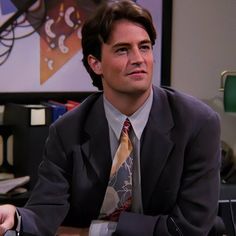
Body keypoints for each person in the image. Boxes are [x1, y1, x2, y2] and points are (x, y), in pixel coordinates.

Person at [0, 0, 221, 235]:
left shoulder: (198, 124)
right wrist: (17, 216)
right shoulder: (66, 131)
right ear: (96, 64)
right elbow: (46, 213)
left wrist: (94, 232)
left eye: (144, 47)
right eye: (123, 50)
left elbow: (188, 229)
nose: (138, 59)